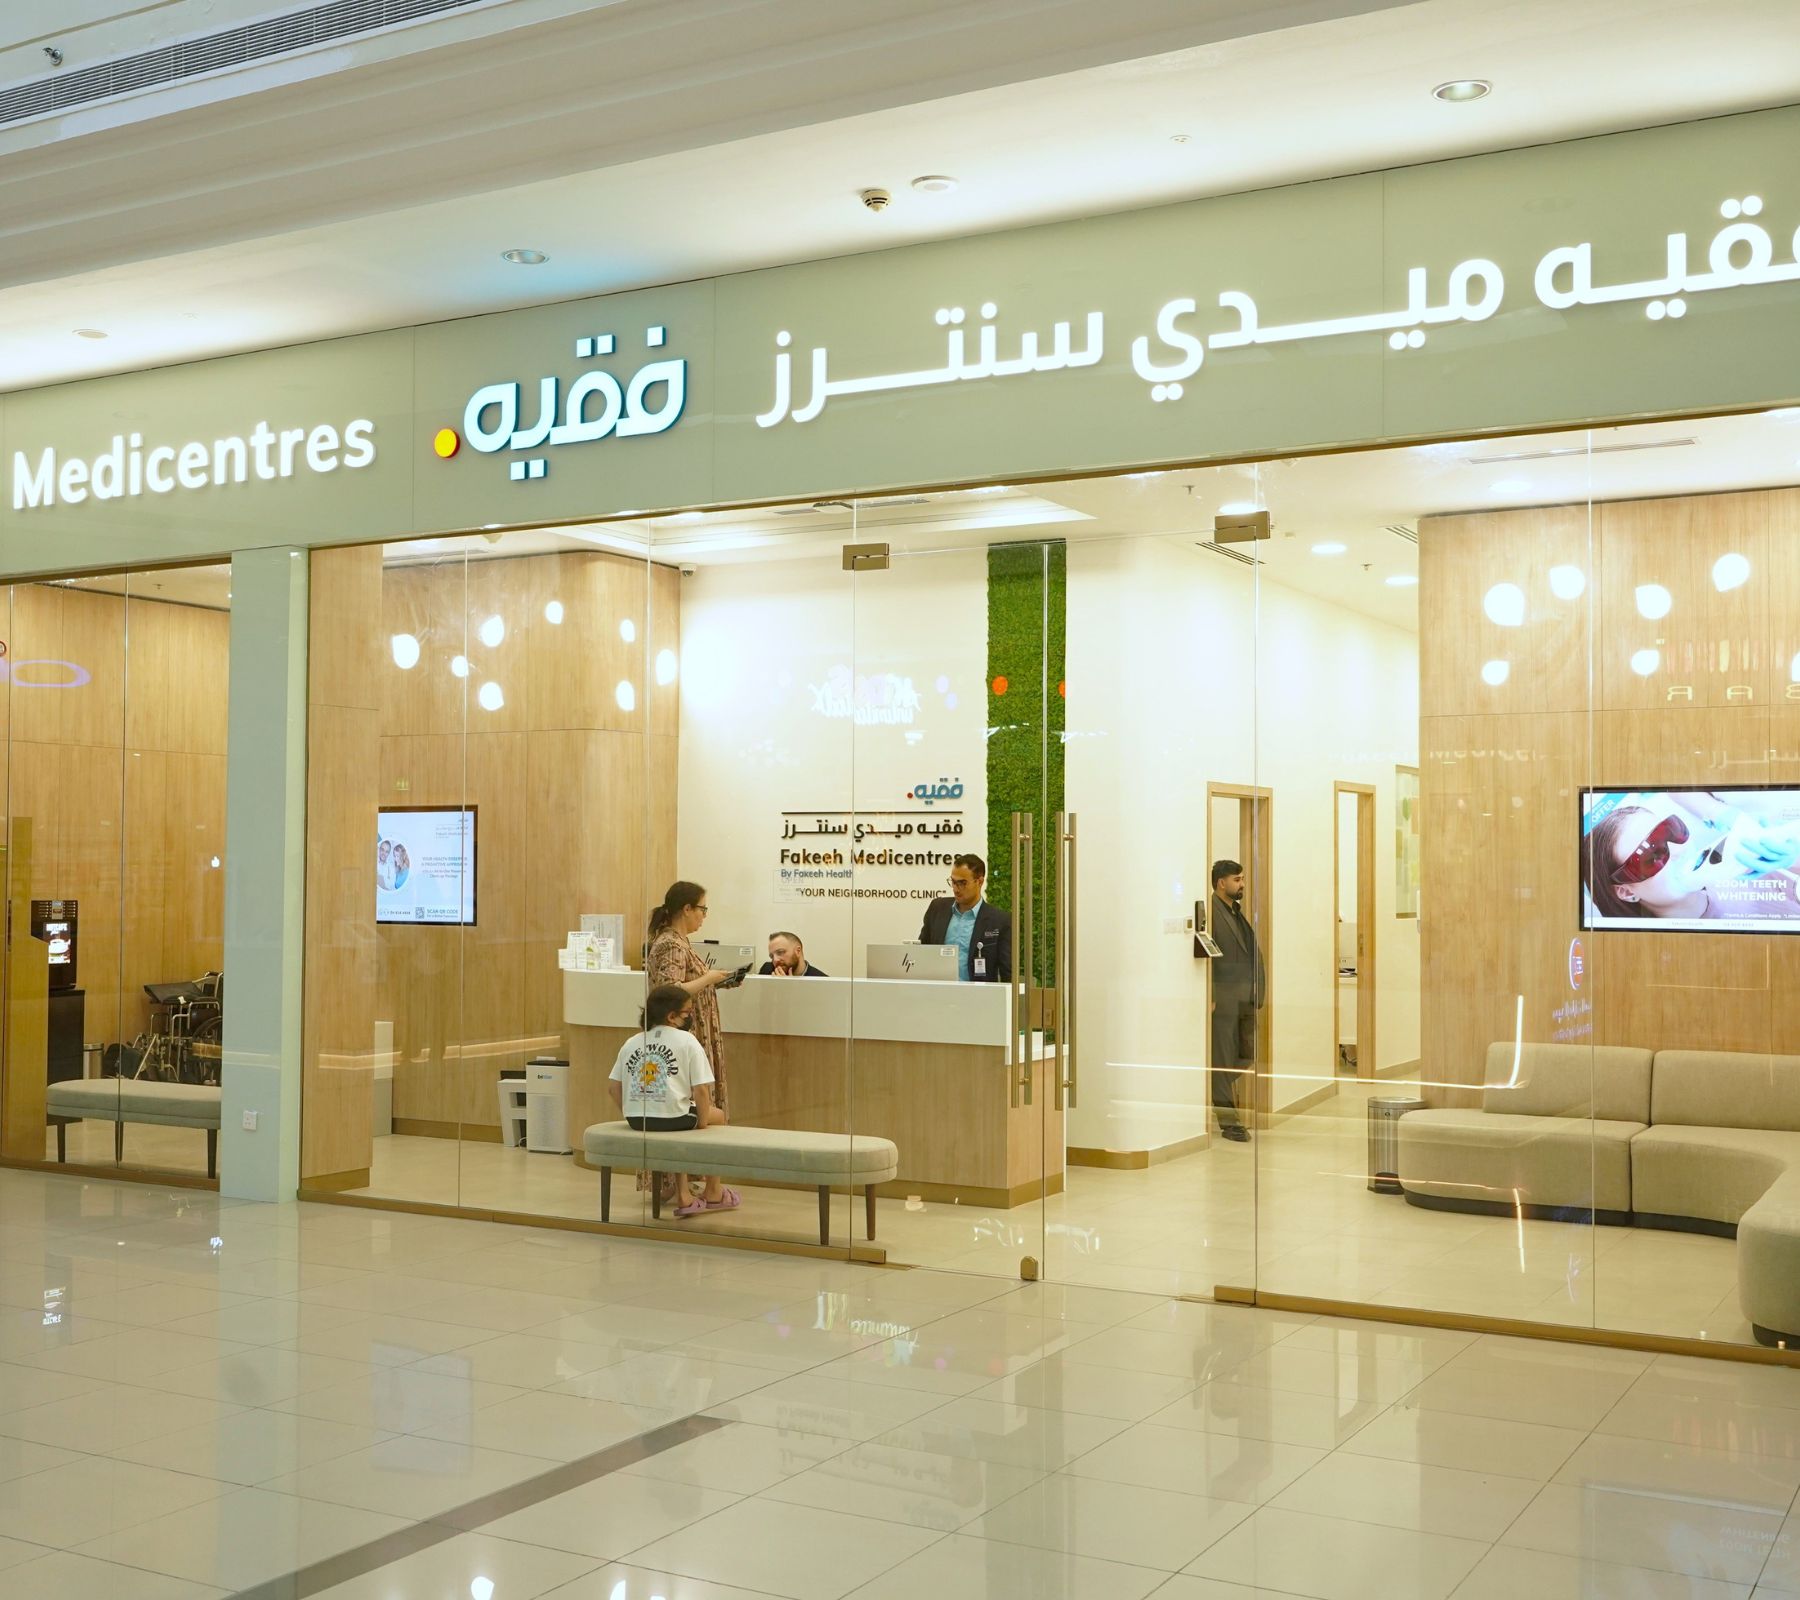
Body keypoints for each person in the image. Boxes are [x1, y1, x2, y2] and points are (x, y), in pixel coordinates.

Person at [607, 984, 736, 1217]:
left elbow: (613, 1087)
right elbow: (701, 1091)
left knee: (678, 1118)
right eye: (687, 1012)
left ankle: (683, 1191)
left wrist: (629, 1111)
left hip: (637, 1119)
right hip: (673, 1118)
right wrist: (703, 1123)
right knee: (717, 1117)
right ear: (672, 1016)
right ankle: (713, 1190)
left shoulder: (633, 1041)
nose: (690, 1017)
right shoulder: (686, 1040)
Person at [1582, 791, 1800, 922]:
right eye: (1651, 855)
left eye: (1671, 831)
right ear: (1626, 891)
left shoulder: (1737, 864)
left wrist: (1792, 857)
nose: (1679, 850)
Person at [1208, 859, 1265, 1143]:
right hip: (1225, 1000)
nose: (1242, 884)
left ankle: (1217, 1094)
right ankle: (1228, 1121)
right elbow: (1207, 961)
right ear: (1222, 883)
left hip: (1245, 998)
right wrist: (1212, 997)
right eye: (1237, 879)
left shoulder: (1235, 912)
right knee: (1221, 1059)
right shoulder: (1212, 913)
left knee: (1245, 1055)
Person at [919, 853, 1012, 982]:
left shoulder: (999, 920)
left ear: (979, 881)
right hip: (937, 993)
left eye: (962, 883)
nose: (956, 889)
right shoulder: (937, 909)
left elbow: (1008, 972)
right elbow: (921, 953)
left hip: (978, 997)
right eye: (953, 882)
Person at [760, 932, 828, 977]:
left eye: (780, 952)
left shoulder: (822, 981)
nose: (775, 960)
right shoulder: (767, 970)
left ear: (798, 951)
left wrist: (790, 988)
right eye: (771, 956)